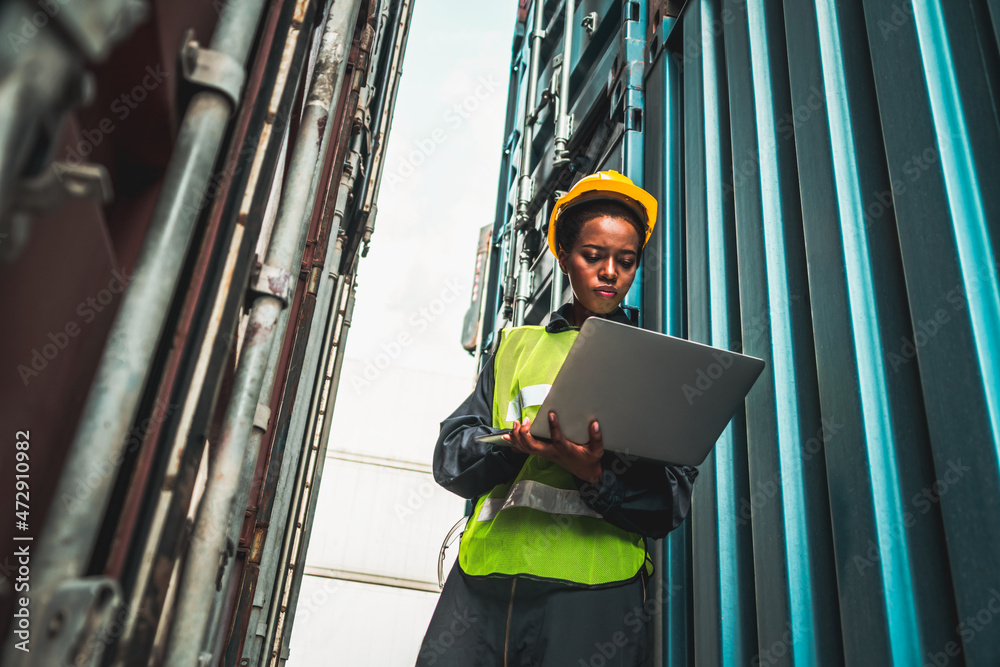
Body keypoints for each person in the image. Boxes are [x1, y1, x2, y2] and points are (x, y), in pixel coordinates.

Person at [416, 171, 698, 667]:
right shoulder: (515, 347)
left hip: (594, 595)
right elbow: (451, 458)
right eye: (594, 256)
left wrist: (594, 472)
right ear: (564, 255)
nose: (610, 272)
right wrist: (513, 446)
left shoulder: (656, 364)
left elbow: (668, 502)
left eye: (626, 261)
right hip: (485, 584)